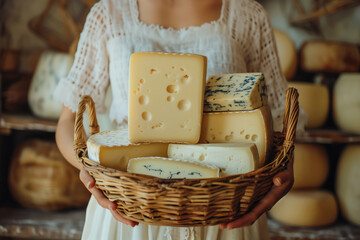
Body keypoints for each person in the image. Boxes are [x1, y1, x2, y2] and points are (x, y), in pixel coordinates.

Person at [55, 0, 306, 239]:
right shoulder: (108, 14)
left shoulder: (248, 16)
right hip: (129, 205)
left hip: (222, 207)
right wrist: (88, 169)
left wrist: (286, 167)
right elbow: (68, 121)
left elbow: (279, 117)